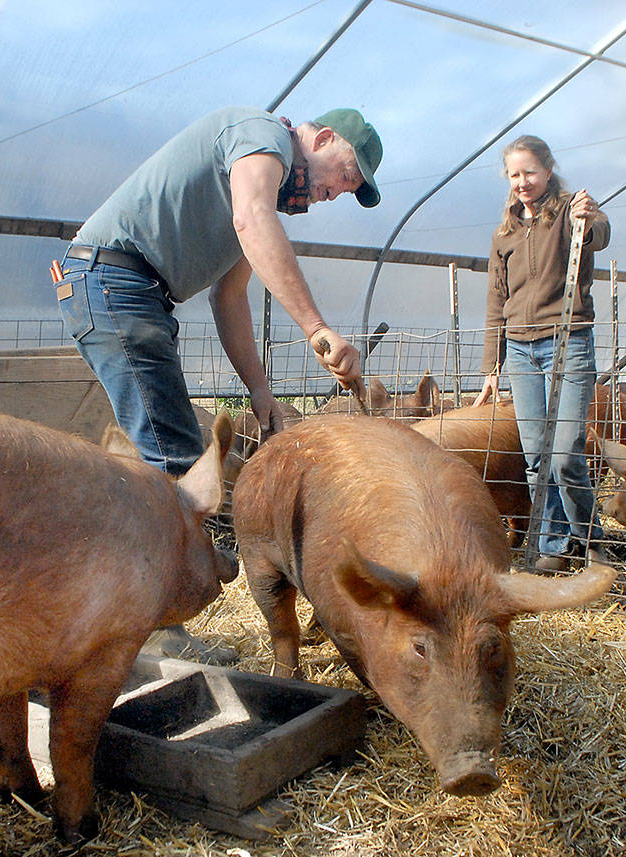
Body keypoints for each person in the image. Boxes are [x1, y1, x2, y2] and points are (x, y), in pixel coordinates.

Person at [55, 106, 381, 661]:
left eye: (348, 191)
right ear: (321, 138)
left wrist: (259, 392)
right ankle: (159, 632)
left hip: (129, 290)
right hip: (112, 281)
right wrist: (318, 327)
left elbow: (228, 299)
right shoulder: (262, 138)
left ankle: (120, 610)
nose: (335, 193)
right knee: (175, 459)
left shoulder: (248, 193)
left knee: (162, 452)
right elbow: (254, 222)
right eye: (343, 175)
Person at [472, 135, 610, 573]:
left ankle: (589, 537)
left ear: (548, 171)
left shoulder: (571, 213)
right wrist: (491, 366)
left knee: (567, 451)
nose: (522, 181)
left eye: (530, 172)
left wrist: (592, 217)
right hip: (520, 349)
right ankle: (551, 544)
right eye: (514, 174)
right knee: (536, 455)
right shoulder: (504, 234)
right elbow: (497, 300)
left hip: (567, 342)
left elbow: (599, 236)